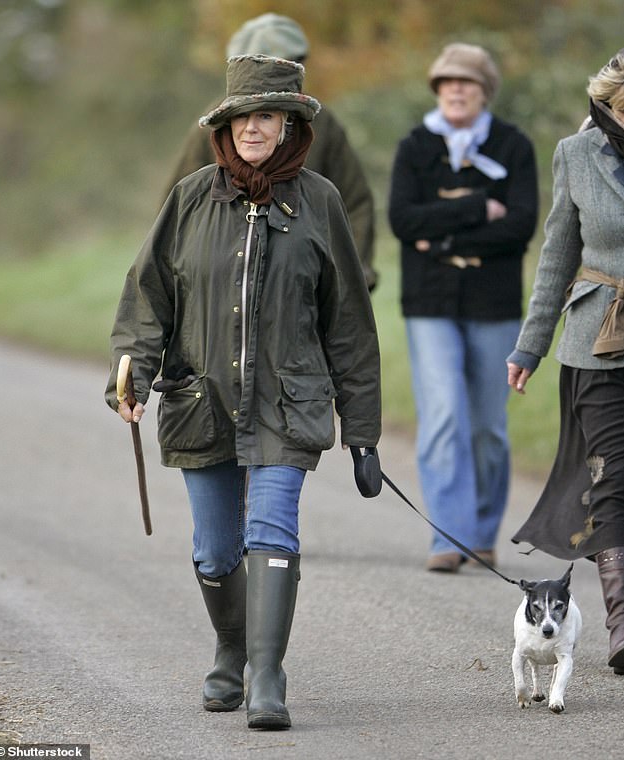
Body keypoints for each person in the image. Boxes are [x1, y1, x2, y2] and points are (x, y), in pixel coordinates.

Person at [105, 55, 381, 729]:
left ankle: (266, 674)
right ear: (224, 127)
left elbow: (348, 321)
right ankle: (230, 652)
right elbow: (150, 297)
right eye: (241, 118)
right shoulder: (194, 198)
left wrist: (365, 432)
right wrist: (133, 372)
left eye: (266, 116)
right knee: (216, 549)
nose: (253, 129)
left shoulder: (320, 202)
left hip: (290, 404)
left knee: (272, 529)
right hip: (201, 401)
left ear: (290, 124)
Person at [388, 43, 538, 573]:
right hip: (429, 301)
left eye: (467, 83)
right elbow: (403, 222)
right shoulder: (415, 146)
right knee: (444, 414)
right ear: (437, 89)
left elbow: (520, 225)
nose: (455, 90)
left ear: (484, 91)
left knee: (488, 426)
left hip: (494, 303)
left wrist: (443, 235)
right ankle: (448, 537)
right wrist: (478, 208)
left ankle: (480, 532)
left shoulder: (513, 146)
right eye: (447, 82)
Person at [507, 49, 624, 676]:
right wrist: (532, 343)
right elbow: (557, 255)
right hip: (597, 342)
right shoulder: (576, 155)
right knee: (611, 478)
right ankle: (622, 623)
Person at [162, 12, 378, 291]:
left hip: (302, 276)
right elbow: (180, 204)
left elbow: (354, 202)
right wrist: (176, 276)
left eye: (287, 62)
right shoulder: (214, 124)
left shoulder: (322, 124)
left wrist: (354, 275)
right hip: (225, 275)